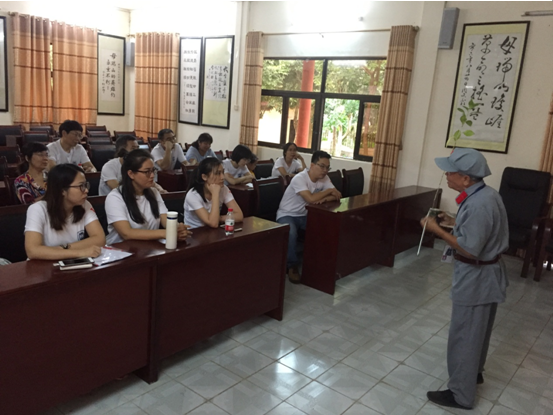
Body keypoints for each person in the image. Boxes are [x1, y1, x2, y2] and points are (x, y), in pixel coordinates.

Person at [420, 148, 509, 410]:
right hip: (486, 276)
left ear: (466, 178)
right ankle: (474, 373)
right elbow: (476, 230)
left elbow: (470, 249)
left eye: (450, 172)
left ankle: (461, 394)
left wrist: (437, 230)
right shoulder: (485, 194)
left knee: (465, 335)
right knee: (478, 331)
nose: (446, 176)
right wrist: (453, 221)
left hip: (477, 279)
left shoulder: (480, 204)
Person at [276, 150, 342, 283]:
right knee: (291, 232)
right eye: (322, 166)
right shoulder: (300, 178)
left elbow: (338, 195)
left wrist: (324, 199)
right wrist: (329, 191)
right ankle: (292, 266)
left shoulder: (324, 178)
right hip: (287, 214)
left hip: (306, 215)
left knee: (325, 226)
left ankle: (318, 261)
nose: (325, 170)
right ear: (312, 165)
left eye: (327, 167)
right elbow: (311, 199)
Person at [105, 149, 192, 245]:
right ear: (131, 174)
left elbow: (165, 220)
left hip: (149, 247)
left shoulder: (154, 192)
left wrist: (177, 228)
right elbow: (127, 233)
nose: (152, 176)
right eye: (147, 172)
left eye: (153, 170)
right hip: (121, 249)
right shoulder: (115, 197)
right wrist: (168, 233)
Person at [24, 164, 105, 260]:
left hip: (72, 263)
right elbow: (32, 250)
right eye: (81, 186)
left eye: (85, 185)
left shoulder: (84, 204)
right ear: (62, 190)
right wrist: (80, 252)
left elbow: (100, 239)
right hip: (44, 265)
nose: (86, 190)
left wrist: (62, 249)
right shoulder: (37, 209)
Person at [184, 157, 243, 229]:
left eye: (223, 172)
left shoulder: (223, 189)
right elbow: (213, 223)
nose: (223, 177)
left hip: (213, 231)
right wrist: (215, 194)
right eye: (218, 173)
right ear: (204, 177)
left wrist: (219, 218)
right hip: (195, 232)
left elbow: (239, 216)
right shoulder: (193, 195)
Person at [99, 135, 168, 196]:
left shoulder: (140, 165)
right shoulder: (109, 166)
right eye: (133, 149)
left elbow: (152, 183)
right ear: (122, 151)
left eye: (137, 148)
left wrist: (160, 190)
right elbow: (117, 189)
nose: (137, 152)